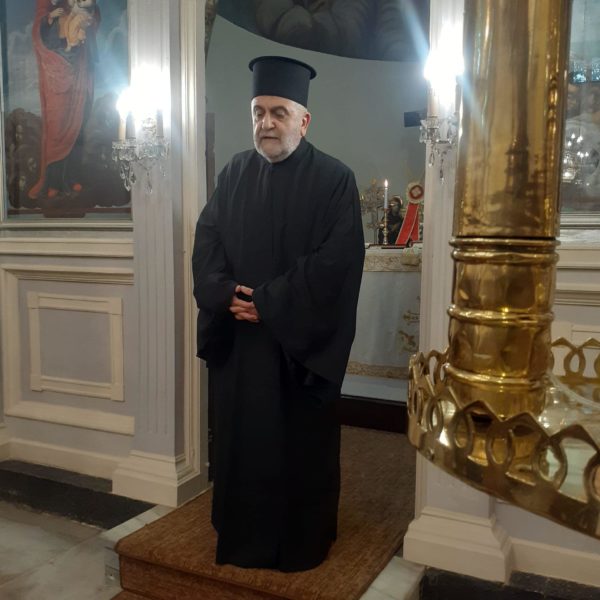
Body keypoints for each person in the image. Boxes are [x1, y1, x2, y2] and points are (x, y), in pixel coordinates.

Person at [192, 56, 365, 572]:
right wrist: (225, 294)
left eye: (278, 113)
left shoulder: (334, 179)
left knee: (297, 448)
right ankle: (241, 535)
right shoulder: (233, 173)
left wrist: (267, 302)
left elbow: (336, 261)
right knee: (243, 444)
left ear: (303, 121)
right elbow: (207, 242)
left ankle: (300, 543)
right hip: (242, 347)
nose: (266, 123)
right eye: (258, 112)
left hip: (297, 349)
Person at [29, 0, 99, 200]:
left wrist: (84, 11)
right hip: (57, 76)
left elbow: (92, 18)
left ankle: (72, 177)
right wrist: (50, 19)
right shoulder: (47, 7)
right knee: (57, 129)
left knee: (78, 128)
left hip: (79, 74)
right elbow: (39, 35)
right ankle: (53, 183)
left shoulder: (79, 6)